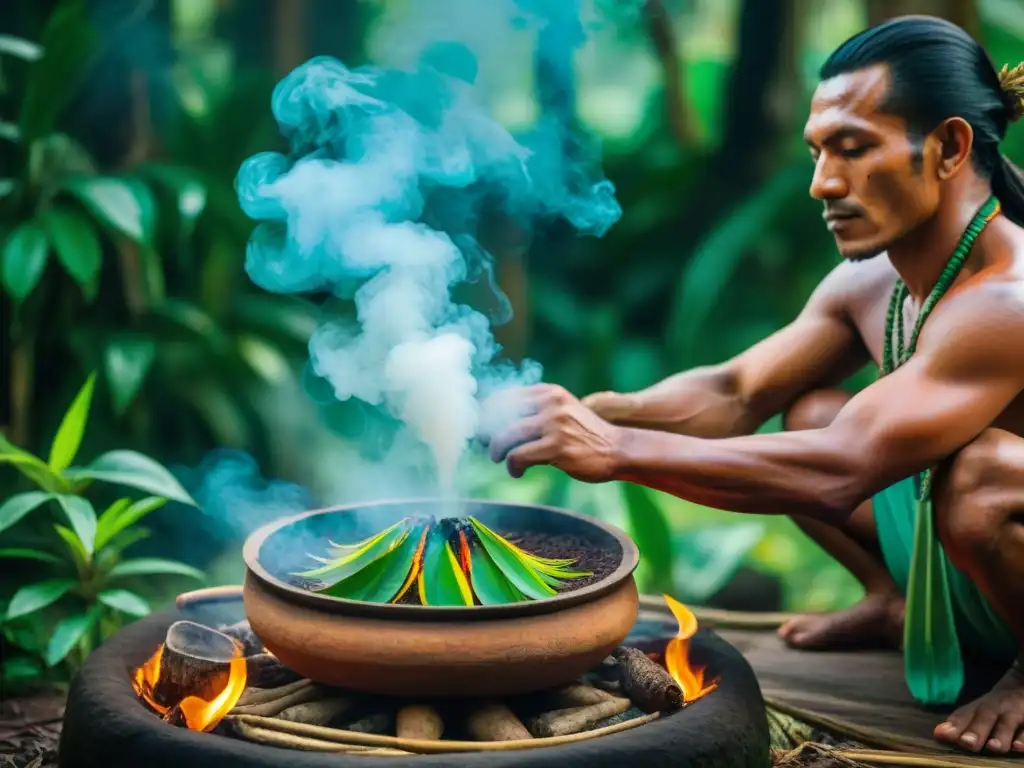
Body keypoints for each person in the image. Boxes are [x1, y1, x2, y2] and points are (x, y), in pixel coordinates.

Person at [485, 15, 1024, 756]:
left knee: (982, 476)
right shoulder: (874, 282)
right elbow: (736, 391)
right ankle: (895, 600)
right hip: (966, 556)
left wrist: (614, 448)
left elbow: (841, 471)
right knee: (811, 410)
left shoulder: (1005, 299)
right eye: (817, 152)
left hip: (998, 529)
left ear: (950, 147)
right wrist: (600, 411)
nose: (822, 183)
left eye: (853, 149)